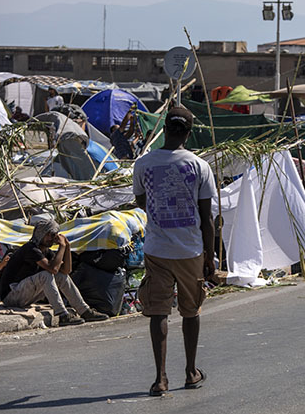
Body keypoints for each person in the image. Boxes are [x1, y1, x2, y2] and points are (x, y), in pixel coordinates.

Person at [133, 107, 216, 397]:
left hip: (157, 248)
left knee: (158, 313)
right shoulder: (199, 166)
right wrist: (211, 258)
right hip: (191, 249)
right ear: (189, 133)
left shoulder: (143, 164)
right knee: (191, 312)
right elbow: (207, 217)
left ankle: (160, 379)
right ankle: (191, 372)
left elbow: (141, 200)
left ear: (165, 129)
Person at [0, 219, 108, 326]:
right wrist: (62, 247)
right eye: (49, 234)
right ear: (41, 234)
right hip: (11, 295)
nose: (52, 238)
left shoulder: (46, 251)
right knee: (46, 275)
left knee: (61, 276)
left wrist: (67, 246)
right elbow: (52, 269)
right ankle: (62, 315)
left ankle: (84, 311)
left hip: (25, 295)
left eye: (54, 235)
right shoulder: (30, 249)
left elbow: (66, 271)